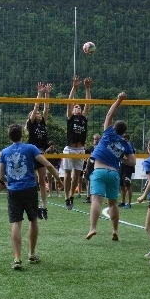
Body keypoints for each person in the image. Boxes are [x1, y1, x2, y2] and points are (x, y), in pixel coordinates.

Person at [0, 124, 61, 270]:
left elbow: (1, 176)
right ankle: (31, 254)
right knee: (33, 220)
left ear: (10, 136)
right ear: (22, 135)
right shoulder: (31, 148)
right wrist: (58, 180)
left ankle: (17, 258)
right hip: (29, 189)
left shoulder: (4, 152)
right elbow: (48, 165)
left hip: (13, 191)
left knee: (16, 223)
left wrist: (10, 183)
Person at [86, 92, 136, 241]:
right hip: (114, 173)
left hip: (99, 171)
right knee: (113, 203)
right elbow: (132, 162)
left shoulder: (108, 133)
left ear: (114, 128)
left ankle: (93, 228)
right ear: (124, 132)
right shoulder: (126, 144)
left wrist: (119, 100)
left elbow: (109, 114)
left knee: (96, 200)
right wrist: (120, 158)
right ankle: (115, 230)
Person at [62, 75, 91, 211]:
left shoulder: (83, 118)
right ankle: (66, 197)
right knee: (67, 174)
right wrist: (74, 87)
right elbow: (69, 102)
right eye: (76, 107)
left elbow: (88, 104)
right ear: (73, 110)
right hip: (69, 148)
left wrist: (87, 88)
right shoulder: (70, 117)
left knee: (76, 175)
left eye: (79, 107)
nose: (78, 108)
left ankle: (72, 195)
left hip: (80, 150)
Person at [27, 82, 53, 219]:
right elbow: (36, 107)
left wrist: (47, 94)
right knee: (33, 180)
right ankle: (33, 205)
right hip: (32, 153)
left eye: (39, 113)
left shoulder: (42, 123)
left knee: (42, 180)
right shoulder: (31, 124)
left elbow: (46, 108)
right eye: (36, 113)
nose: (39, 114)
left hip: (41, 153)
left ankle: (44, 206)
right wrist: (39, 94)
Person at [119, 133, 136, 209]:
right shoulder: (121, 145)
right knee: (122, 185)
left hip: (128, 168)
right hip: (122, 167)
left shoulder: (129, 146)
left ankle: (129, 203)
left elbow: (131, 158)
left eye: (126, 139)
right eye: (123, 139)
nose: (124, 141)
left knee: (128, 185)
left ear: (128, 140)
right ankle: (122, 202)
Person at [83, 133, 100, 203]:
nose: (96, 140)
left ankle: (95, 196)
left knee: (96, 181)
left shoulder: (101, 147)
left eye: (97, 139)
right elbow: (89, 158)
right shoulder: (92, 148)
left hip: (98, 165)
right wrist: (86, 167)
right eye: (95, 139)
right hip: (91, 165)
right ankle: (88, 197)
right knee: (88, 181)